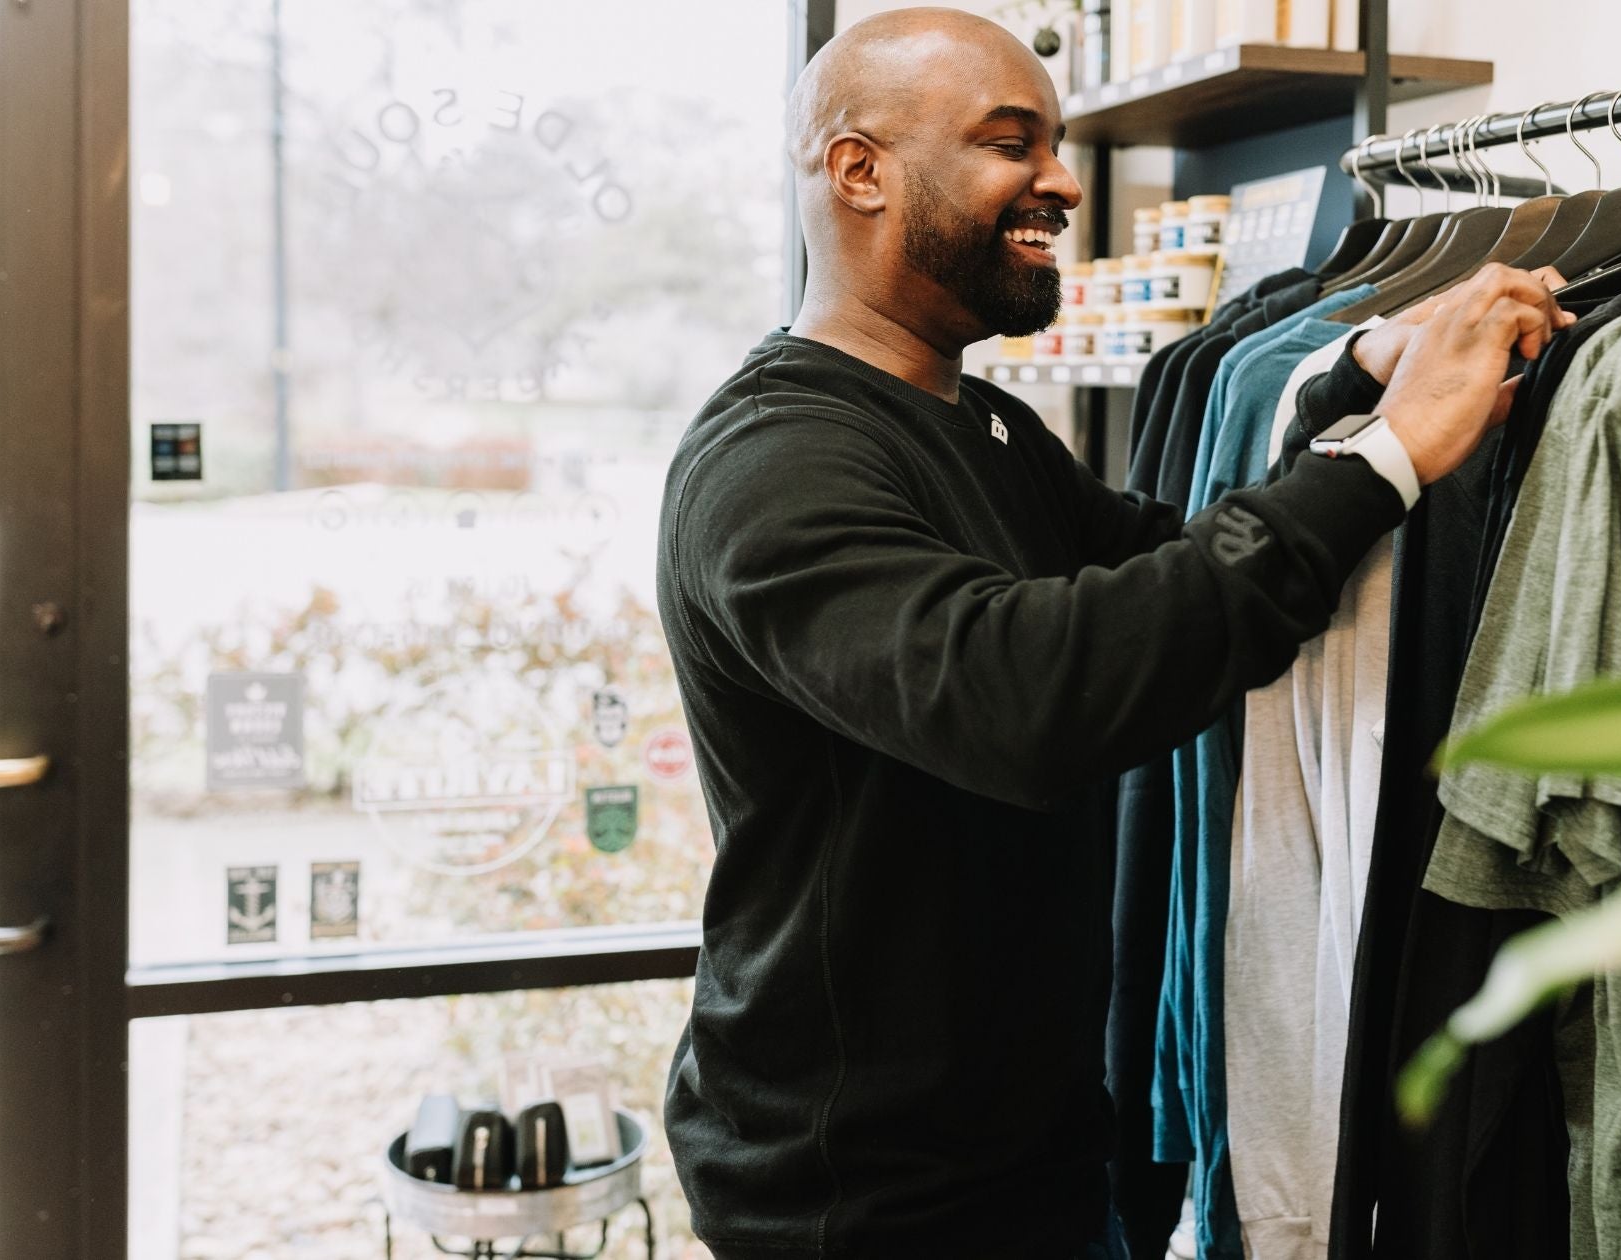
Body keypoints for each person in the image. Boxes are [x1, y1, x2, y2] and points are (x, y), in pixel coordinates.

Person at [654, 9, 1572, 1259]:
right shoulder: (774, 462)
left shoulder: (984, 425)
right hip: (856, 1199)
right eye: (1008, 144)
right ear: (857, 172)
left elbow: (1176, 562)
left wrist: (1351, 373)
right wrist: (1390, 455)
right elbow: (1028, 696)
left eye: (1057, 144)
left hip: (1029, 1154)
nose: (1058, 183)